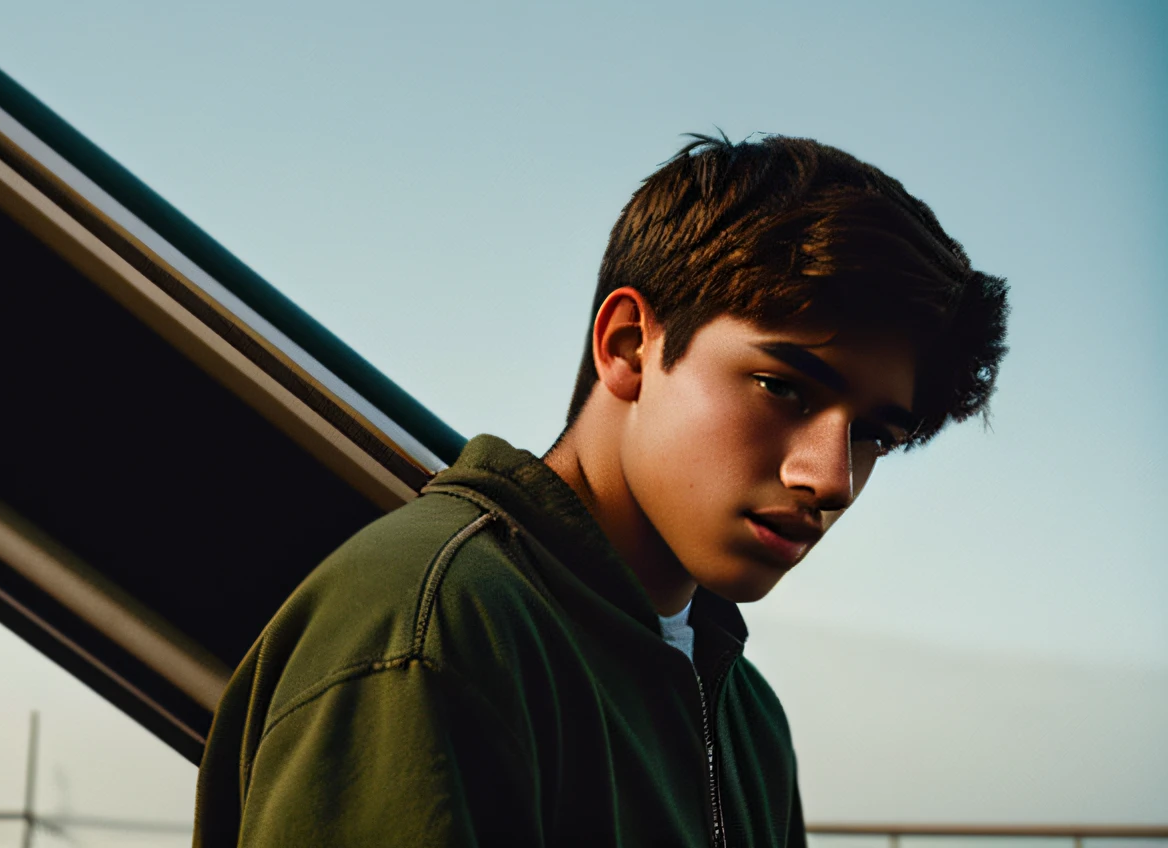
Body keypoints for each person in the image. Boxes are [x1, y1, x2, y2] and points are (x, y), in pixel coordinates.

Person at [192, 133, 1010, 847]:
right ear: (628, 346)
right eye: (782, 387)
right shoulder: (432, 630)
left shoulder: (746, 718)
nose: (830, 478)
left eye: (873, 434)